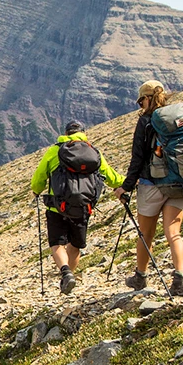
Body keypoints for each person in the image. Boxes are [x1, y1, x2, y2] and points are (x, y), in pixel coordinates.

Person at [31, 121, 124, 294]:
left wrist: (36, 191)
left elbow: (39, 178)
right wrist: (127, 182)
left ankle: (65, 273)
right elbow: (109, 176)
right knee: (75, 245)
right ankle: (70, 277)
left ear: (66, 133)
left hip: (56, 207)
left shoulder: (55, 151)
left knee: (57, 243)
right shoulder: (93, 152)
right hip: (83, 207)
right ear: (82, 132)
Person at [117, 80, 183, 297]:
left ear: (147, 99)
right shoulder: (179, 117)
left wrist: (126, 187)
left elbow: (138, 158)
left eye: (141, 101)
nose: (140, 105)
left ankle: (140, 276)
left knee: (146, 233)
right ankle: (180, 279)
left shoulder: (146, 121)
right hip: (179, 182)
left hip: (152, 184)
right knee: (174, 233)